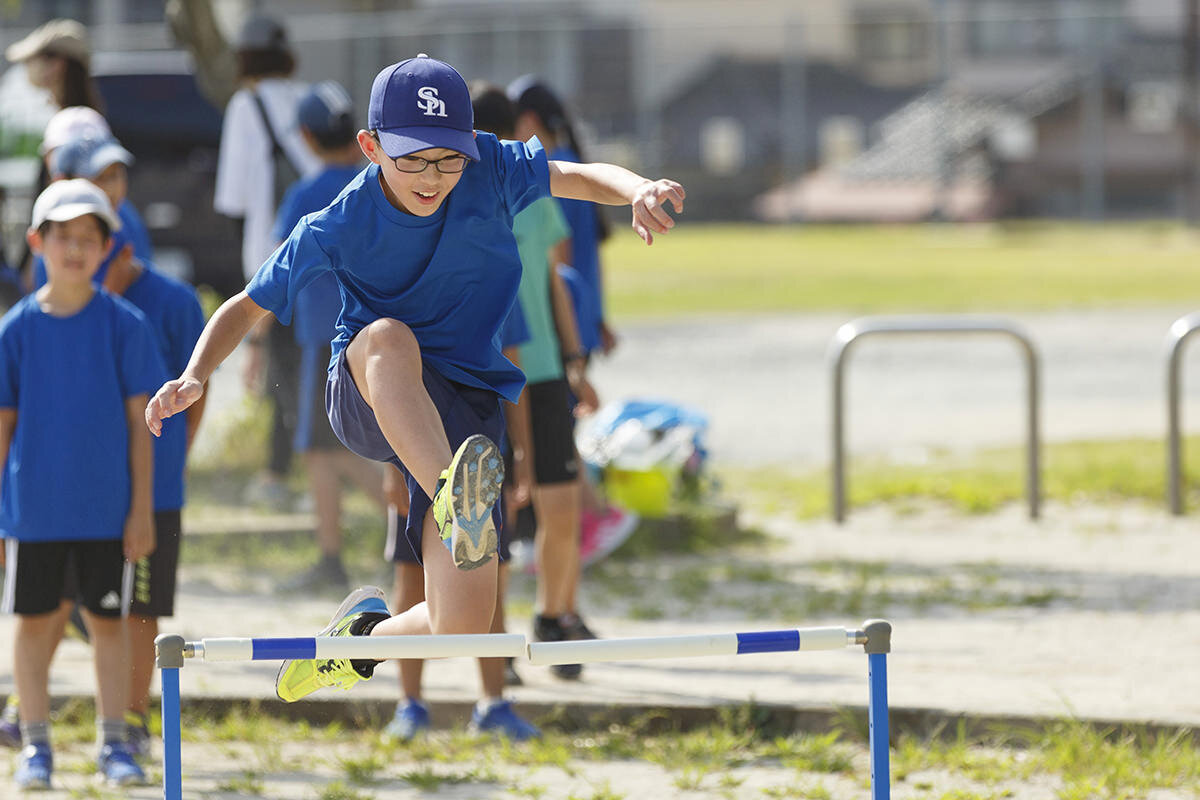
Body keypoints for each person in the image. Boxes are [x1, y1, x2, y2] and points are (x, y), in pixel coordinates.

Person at [144, 54, 684, 706]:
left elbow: (573, 173)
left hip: (463, 406)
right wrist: (196, 374)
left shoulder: (489, 166)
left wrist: (636, 189)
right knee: (391, 336)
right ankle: (453, 493)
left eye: (447, 159)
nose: (433, 177)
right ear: (371, 148)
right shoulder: (340, 222)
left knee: (461, 622)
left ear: (469, 147)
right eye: (413, 160)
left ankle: (358, 643)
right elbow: (246, 304)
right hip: (372, 388)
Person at [0, 180, 163, 788]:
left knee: (108, 624)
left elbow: (139, 427)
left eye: (88, 239)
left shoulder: (125, 325)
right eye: (63, 237)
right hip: (34, 515)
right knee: (33, 623)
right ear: (37, 242)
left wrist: (141, 509)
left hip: (107, 511)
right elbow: (4, 429)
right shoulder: (15, 331)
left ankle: (114, 744)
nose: (75, 249)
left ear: (107, 248)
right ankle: (35, 747)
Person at [49, 135, 208, 755]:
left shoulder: (163, 304)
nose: (88, 255)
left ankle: (134, 720)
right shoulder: (56, 299)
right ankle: (39, 712)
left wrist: (175, 458)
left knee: (142, 609)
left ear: (121, 244)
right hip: (79, 484)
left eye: (101, 244)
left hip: (153, 483)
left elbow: (199, 389)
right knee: (60, 601)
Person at [470, 84, 603, 681]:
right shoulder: (455, 199)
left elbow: (555, 282)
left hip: (545, 370)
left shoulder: (530, 188)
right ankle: (496, 646)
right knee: (492, 521)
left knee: (561, 505)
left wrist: (576, 363)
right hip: (490, 376)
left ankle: (554, 616)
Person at [383, 298, 539, 742]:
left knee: (488, 583)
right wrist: (387, 467)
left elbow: (514, 372)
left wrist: (522, 457)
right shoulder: (409, 277)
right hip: (413, 458)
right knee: (412, 580)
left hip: (480, 458)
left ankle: (492, 702)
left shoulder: (503, 280)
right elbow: (381, 385)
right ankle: (409, 703)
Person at [508, 77, 639, 570]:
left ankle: (592, 517)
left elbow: (555, 263)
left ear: (530, 122)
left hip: (551, 319)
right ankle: (577, 522)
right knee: (560, 424)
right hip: (573, 313)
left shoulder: (541, 172)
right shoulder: (564, 161)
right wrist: (599, 316)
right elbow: (592, 258)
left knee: (554, 427)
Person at [270, 81, 385, 592]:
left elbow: (279, 269)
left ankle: (339, 553)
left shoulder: (306, 193)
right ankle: (343, 549)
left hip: (325, 339)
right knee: (345, 445)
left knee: (321, 450)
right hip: (380, 337)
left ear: (306, 137)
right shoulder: (378, 182)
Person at [213, 14, 319, 510]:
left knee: (280, 369)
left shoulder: (244, 105)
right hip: (320, 255)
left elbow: (233, 201)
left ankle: (279, 475)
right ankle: (323, 469)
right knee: (316, 363)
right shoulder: (308, 98)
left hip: (270, 257)